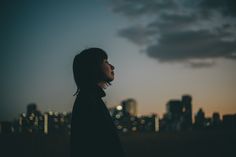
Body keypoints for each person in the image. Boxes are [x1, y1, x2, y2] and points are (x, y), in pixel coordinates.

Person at [71, 48, 126, 157]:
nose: (112, 67)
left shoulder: (90, 98)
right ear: (93, 67)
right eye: (106, 62)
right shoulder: (89, 102)